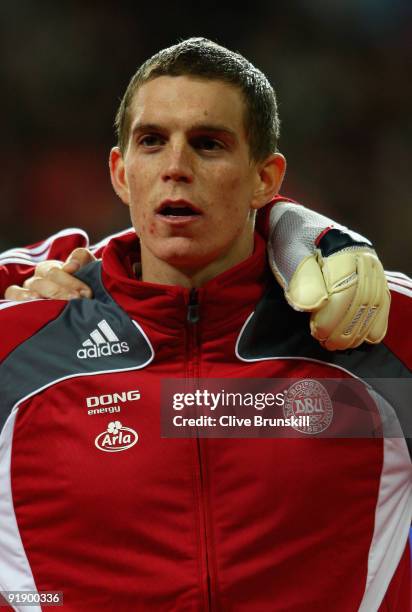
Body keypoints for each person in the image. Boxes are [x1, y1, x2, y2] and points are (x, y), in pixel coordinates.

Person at [0, 38, 410, 611]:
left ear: (266, 180)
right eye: (151, 142)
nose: (175, 168)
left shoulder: (375, 329)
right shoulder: (25, 340)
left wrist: (314, 235)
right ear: (121, 174)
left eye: (209, 144)